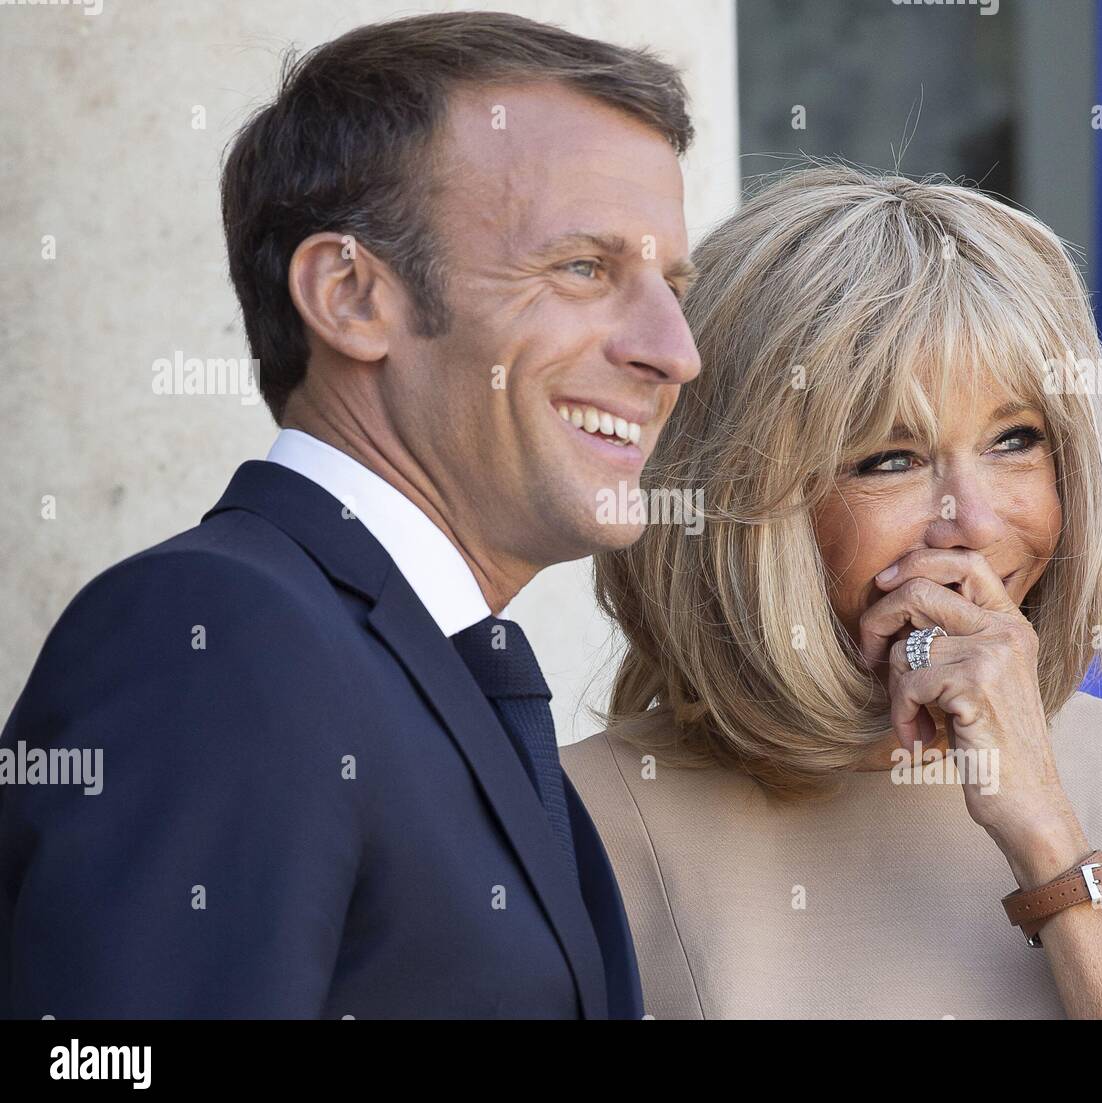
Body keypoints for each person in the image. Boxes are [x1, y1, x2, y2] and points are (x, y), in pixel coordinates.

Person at [0, 11, 699, 1018]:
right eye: (585, 268)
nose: (674, 350)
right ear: (350, 294)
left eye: (673, 285)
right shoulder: (216, 635)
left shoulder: (413, 660)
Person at [561, 163, 1102, 1019]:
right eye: (891, 459)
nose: (976, 522)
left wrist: (1048, 838)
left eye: (1016, 439)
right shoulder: (575, 818)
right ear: (744, 505)